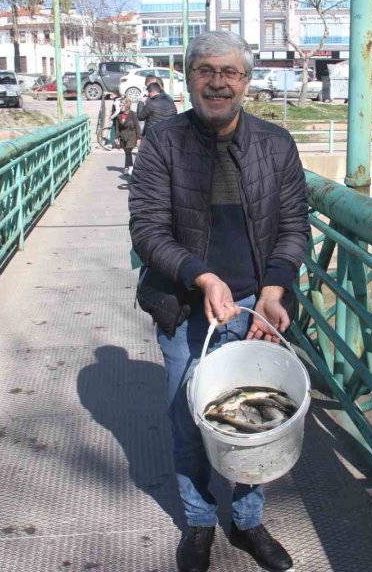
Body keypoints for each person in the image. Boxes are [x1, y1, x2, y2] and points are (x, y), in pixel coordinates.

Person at [128, 31, 308, 572]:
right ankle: (200, 522)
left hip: (256, 303)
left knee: (258, 426)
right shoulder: (162, 143)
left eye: (230, 72)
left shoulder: (276, 144)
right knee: (190, 420)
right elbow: (148, 230)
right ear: (188, 78)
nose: (218, 82)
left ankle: (248, 521)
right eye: (206, 70)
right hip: (186, 305)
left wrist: (275, 288)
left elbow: (294, 225)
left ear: (246, 82)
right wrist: (201, 277)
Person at [115, 99, 140, 174]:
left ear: (127, 105)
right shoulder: (119, 115)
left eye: (122, 104)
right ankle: (128, 166)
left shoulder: (133, 114)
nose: (120, 105)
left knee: (128, 150)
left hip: (131, 135)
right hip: (123, 136)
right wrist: (116, 137)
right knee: (126, 151)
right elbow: (117, 128)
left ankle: (129, 167)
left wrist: (138, 138)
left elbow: (137, 126)